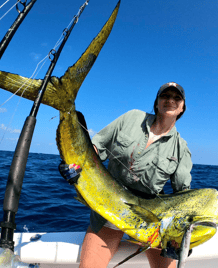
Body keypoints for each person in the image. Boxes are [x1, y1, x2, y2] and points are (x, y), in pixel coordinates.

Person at [64, 82, 192, 268]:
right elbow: (96, 147)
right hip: (109, 209)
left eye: (176, 98)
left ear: (182, 108)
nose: (170, 100)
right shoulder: (131, 118)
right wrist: (77, 165)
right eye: (165, 96)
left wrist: (180, 239)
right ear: (156, 103)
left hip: (151, 220)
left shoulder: (181, 148)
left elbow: (182, 196)